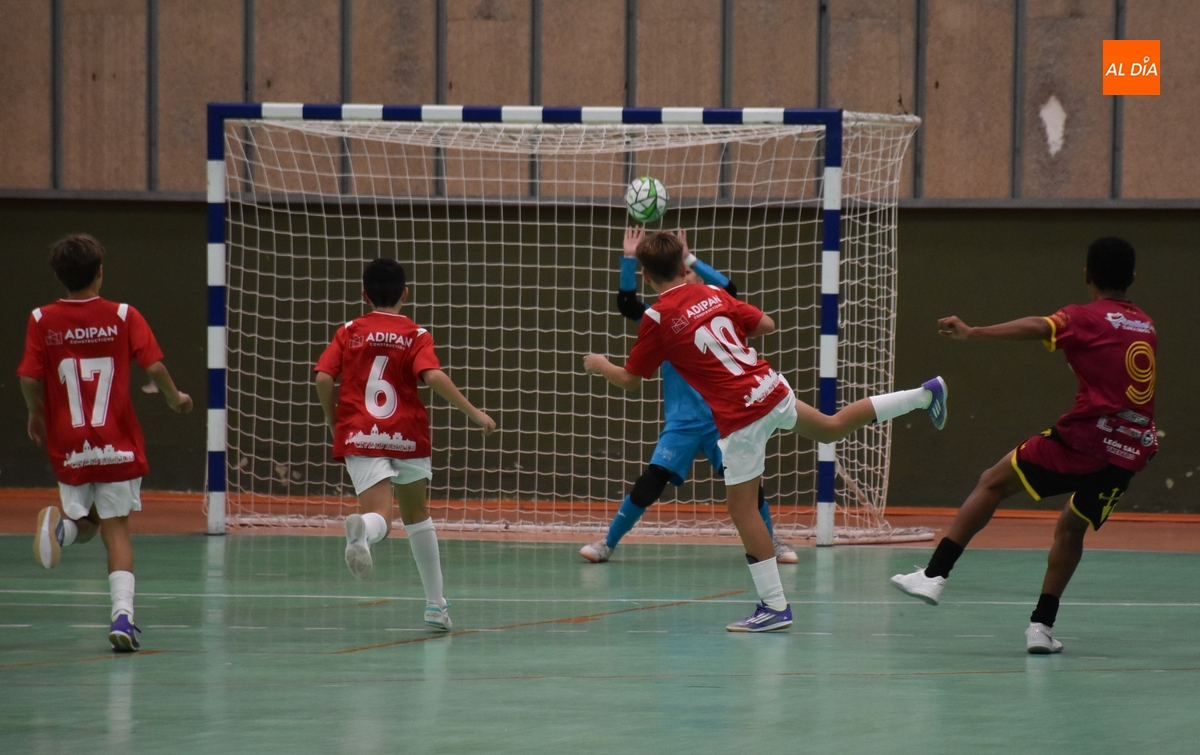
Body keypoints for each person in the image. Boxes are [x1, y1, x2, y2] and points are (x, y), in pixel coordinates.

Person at [584, 231, 947, 632]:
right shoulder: (713, 292)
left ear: (646, 276)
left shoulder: (657, 318)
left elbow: (630, 379)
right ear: (682, 266)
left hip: (741, 414)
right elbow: (766, 325)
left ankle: (774, 607)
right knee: (831, 427)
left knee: (742, 509)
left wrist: (600, 364)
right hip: (769, 386)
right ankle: (923, 394)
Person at [890, 237, 1155, 655]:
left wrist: (974, 332)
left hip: (1085, 440)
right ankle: (1041, 628)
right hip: (1130, 451)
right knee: (1072, 528)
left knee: (992, 482)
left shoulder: (1085, 317)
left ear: (1087, 275)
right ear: (1133, 278)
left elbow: (1040, 325)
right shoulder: (1145, 324)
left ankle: (934, 575)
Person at [580, 227, 796, 565]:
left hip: (721, 417)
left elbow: (729, 289)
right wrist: (629, 258)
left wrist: (690, 258)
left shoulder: (713, 301)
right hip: (683, 420)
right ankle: (607, 543)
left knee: (747, 484)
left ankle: (773, 542)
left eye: (695, 276)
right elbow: (627, 304)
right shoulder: (663, 318)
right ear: (680, 273)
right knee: (652, 481)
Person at [21, 234, 193, 652]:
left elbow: (28, 377)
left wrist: (36, 412)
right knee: (115, 531)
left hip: (70, 444)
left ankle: (61, 529)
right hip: (117, 442)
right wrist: (175, 398)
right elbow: (155, 368)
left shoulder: (41, 319)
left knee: (86, 523)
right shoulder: (122, 315)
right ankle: (122, 617)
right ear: (100, 272)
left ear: (59, 276)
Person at [315, 258, 495, 632]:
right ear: (406, 294)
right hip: (407, 434)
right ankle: (435, 605)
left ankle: (364, 530)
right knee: (417, 514)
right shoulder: (415, 334)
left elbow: (323, 378)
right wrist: (475, 413)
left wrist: (334, 421)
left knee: (381, 515)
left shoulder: (348, 331)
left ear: (364, 295)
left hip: (360, 433)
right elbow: (433, 375)